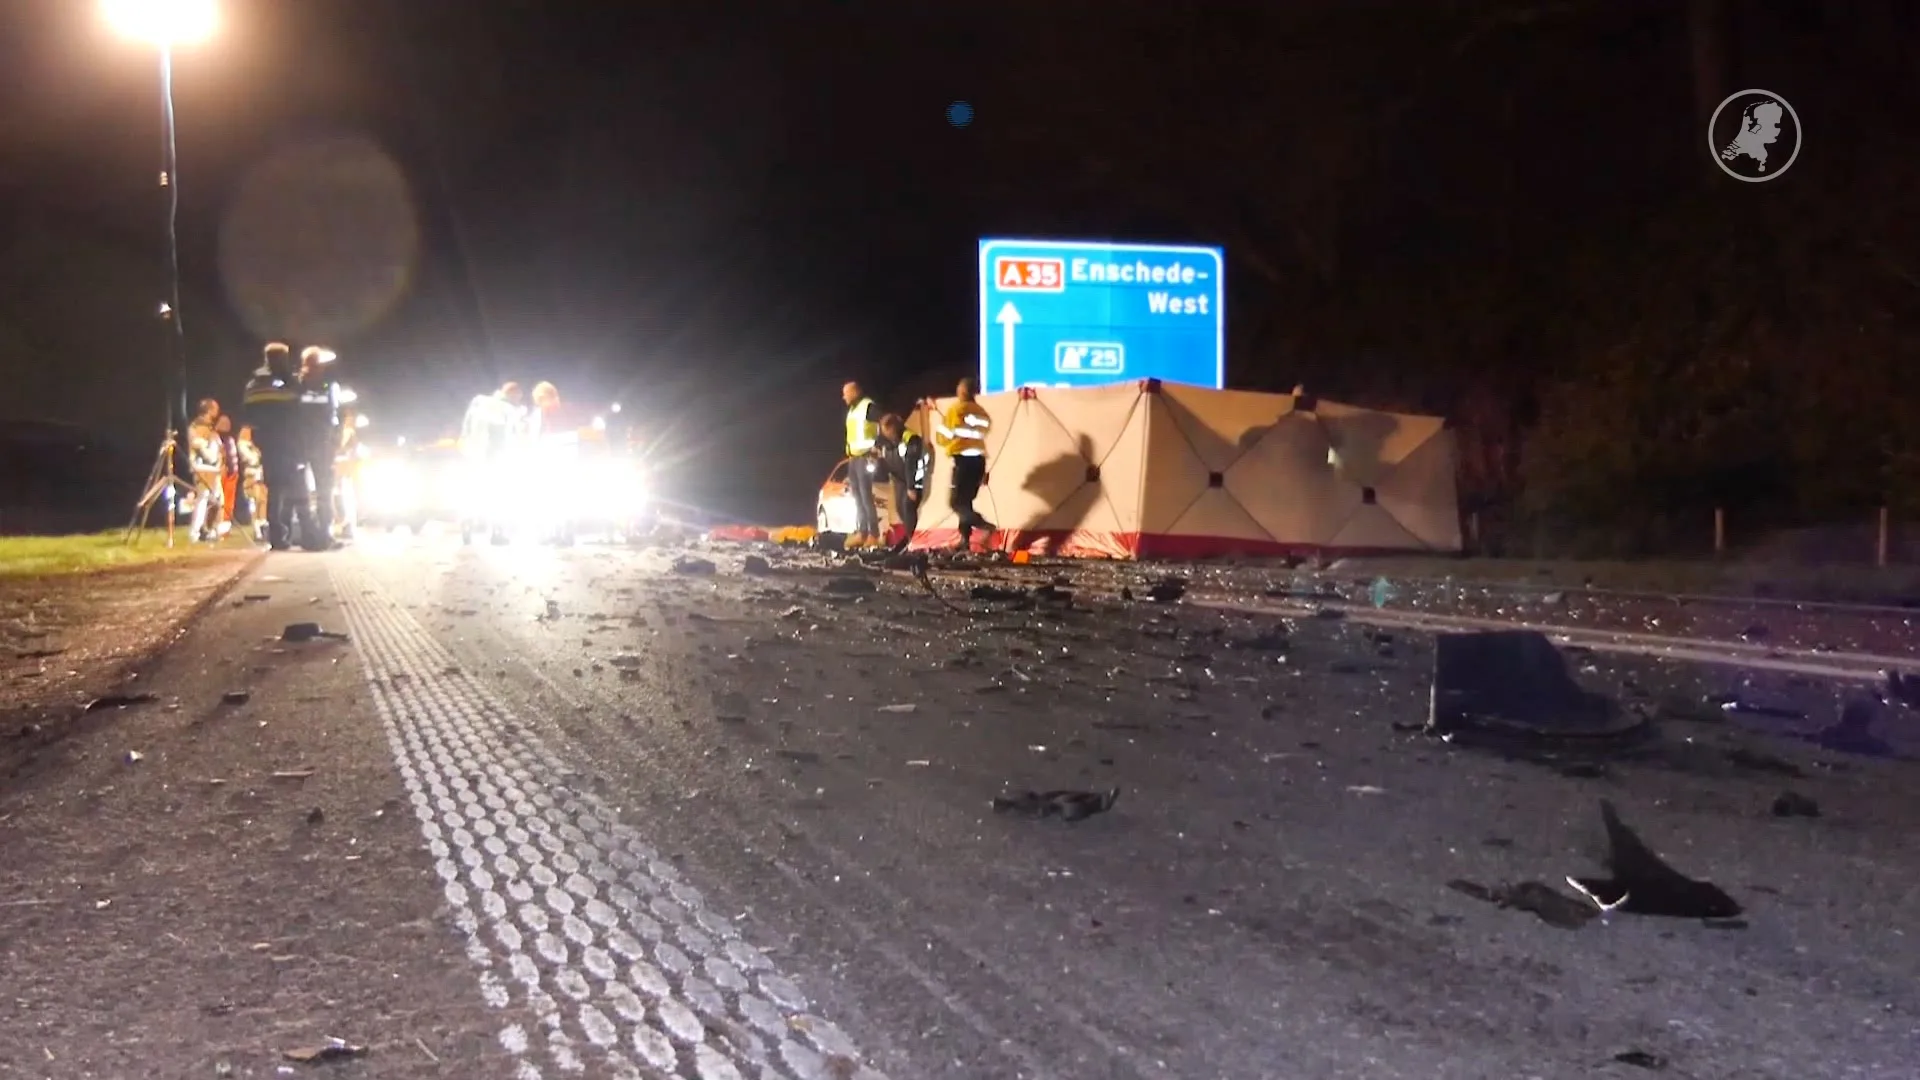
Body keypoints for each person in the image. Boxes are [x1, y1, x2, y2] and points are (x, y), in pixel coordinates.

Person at [242, 343, 302, 550]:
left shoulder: (253, 383)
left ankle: (278, 534)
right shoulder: (287, 381)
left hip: (266, 442)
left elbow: (249, 414)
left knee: (275, 488)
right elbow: (297, 406)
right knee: (288, 487)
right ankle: (284, 533)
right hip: (286, 441)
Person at [459, 381, 525, 544]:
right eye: (518, 397)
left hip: (473, 457)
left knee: (474, 494)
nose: (518, 401)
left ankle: (467, 528)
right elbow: (508, 437)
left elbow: (465, 428)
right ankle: (497, 533)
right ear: (512, 394)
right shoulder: (507, 410)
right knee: (498, 496)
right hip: (495, 459)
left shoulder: (479, 402)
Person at [935, 377, 996, 551]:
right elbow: (985, 429)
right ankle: (964, 540)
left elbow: (942, 437)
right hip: (978, 461)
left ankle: (984, 525)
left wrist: (947, 436)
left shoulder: (956, 410)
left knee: (956, 503)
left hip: (963, 461)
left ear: (961, 391)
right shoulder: (981, 412)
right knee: (966, 500)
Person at [294, 346, 339, 550]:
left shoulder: (327, 385)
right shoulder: (297, 383)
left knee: (324, 490)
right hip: (303, 444)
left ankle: (324, 533)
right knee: (303, 491)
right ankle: (309, 533)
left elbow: (332, 416)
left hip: (319, 444)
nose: (319, 368)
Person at [874, 413, 927, 552]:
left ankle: (913, 542)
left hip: (914, 480)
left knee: (908, 506)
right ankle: (911, 538)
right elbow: (886, 462)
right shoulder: (888, 443)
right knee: (900, 508)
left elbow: (911, 463)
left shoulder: (910, 439)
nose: (885, 434)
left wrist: (911, 487)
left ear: (892, 428)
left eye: (886, 431)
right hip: (899, 480)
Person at [840, 381, 882, 547]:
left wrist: (876, 448)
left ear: (855, 392)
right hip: (854, 458)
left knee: (865, 496)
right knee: (857, 497)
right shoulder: (852, 410)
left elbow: (882, 425)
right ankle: (862, 532)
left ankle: (874, 534)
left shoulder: (868, 407)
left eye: (846, 393)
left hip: (866, 456)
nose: (843, 397)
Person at [186, 400, 224, 542]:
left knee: (216, 500)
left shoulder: (209, 427)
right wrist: (213, 455)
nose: (217, 410)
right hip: (202, 467)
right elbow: (200, 446)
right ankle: (194, 533)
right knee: (202, 499)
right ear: (209, 410)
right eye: (215, 408)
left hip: (213, 469)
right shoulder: (196, 427)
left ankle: (207, 530)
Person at [334, 406, 364, 539]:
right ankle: (344, 525)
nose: (351, 420)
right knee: (341, 498)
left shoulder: (350, 433)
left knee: (346, 498)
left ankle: (347, 526)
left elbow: (354, 452)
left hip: (346, 473)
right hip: (340, 472)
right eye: (349, 417)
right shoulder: (344, 432)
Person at [236, 424, 266, 542]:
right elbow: (251, 459)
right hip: (251, 473)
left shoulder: (254, 445)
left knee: (263, 500)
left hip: (260, 472)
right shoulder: (243, 444)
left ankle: (263, 525)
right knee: (254, 500)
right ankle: (257, 530)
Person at [215, 414, 243, 535]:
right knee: (220, 500)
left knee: (229, 501)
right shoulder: (215, 436)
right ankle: (217, 525)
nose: (226, 425)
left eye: (228, 422)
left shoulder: (230, 438)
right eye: (223, 422)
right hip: (222, 472)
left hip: (233, 473)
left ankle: (226, 527)